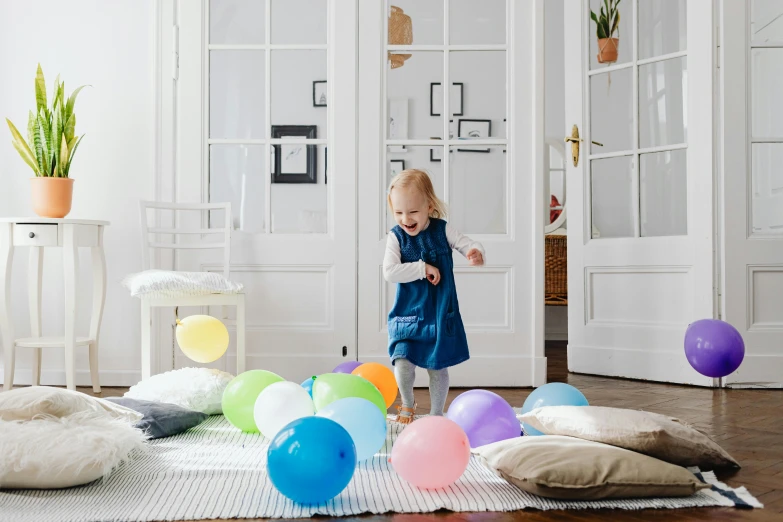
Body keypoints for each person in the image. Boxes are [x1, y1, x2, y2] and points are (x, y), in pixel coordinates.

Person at [383, 169, 485, 424]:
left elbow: (466, 243)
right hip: (408, 312)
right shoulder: (396, 237)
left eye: (413, 211)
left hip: (439, 312)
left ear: (429, 206)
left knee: (437, 366)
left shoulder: (443, 230)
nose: (405, 219)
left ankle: (437, 414)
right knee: (402, 361)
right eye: (398, 213)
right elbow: (389, 271)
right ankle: (407, 404)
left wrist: (475, 251)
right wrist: (422, 268)